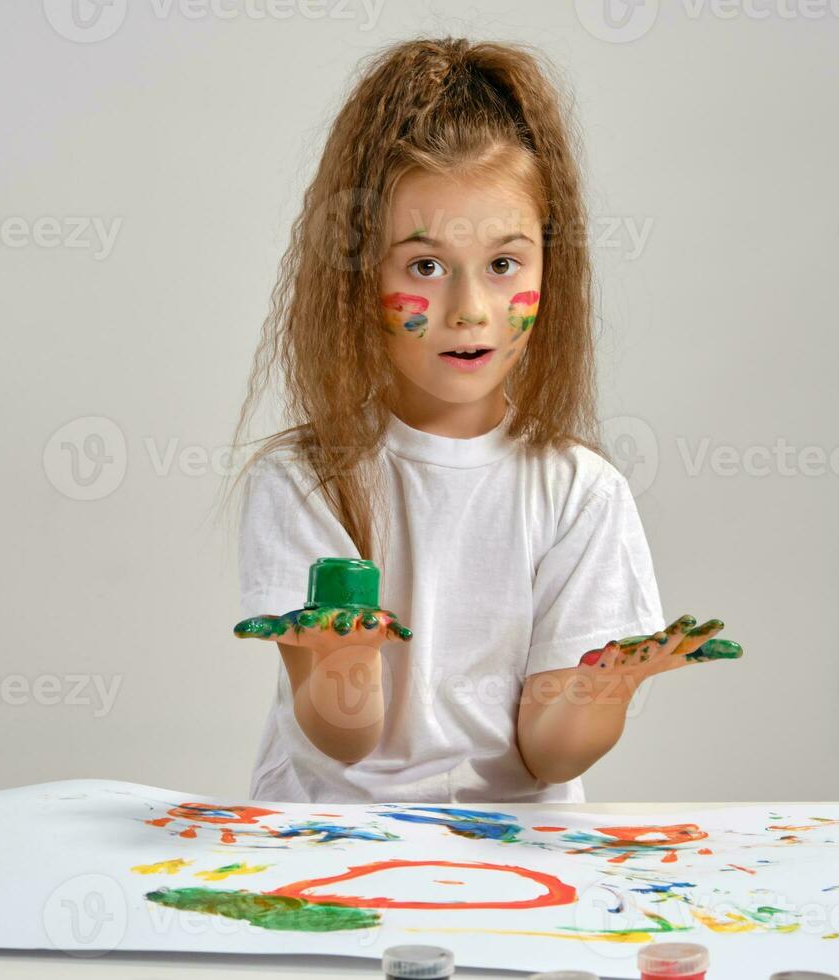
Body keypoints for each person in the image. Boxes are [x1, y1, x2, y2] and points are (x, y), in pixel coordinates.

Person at [222, 37, 738, 805]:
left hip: (512, 859)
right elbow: (342, 740)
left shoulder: (581, 494)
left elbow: (549, 754)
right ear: (358, 275)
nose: (469, 310)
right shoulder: (304, 482)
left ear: (548, 269)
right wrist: (339, 663)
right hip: (325, 848)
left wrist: (607, 688)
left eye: (504, 265)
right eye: (424, 266)